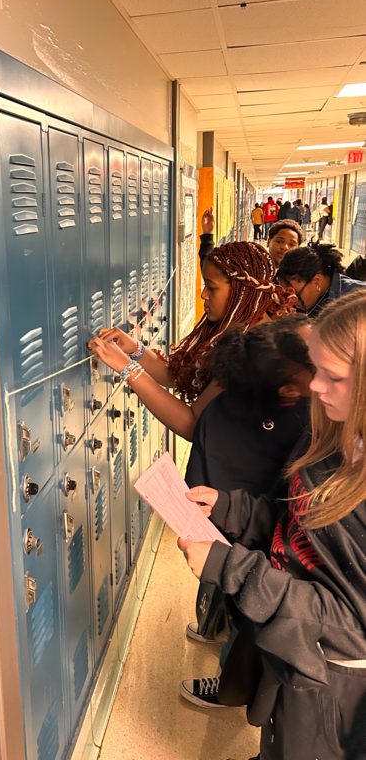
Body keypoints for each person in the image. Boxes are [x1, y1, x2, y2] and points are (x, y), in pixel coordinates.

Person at [178, 290, 366, 760]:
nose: (315, 387)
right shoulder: (336, 435)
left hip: (332, 683)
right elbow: (296, 521)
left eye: (333, 376)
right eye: (316, 370)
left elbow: (349, 625)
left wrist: (229, 568)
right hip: (294, 660)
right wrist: (228, 507)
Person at [180, 316, 314, 708]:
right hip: (259, 542)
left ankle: (219, 639)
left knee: (236, 601)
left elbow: (198, 478)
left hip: (230, 534)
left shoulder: (226, 406)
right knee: (247, 617)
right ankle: (229, 686)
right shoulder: (304, 419)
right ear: (291, 387)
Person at [88, 242, 297, 441]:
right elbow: (180, 376)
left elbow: (192, 425)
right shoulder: (244, 326)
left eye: (211, 287)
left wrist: (128, 369)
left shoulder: (253, 350)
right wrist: (135, 349)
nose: (204, 294)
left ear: (241, 292)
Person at [278, 242, 366, 318]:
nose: (291, 302)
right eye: (286, 296)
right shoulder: (310, 302)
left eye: (296, 294)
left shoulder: (359, 300)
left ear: (317, 280)